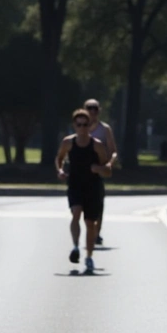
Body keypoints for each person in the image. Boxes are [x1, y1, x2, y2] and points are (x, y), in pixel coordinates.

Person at [55, 108, 113, 274]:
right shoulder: (68, 142)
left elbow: (108, 170)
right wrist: (59, 170)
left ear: (90, 126)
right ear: (74, 125)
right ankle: (75, 247)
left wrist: (99, 169)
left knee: (90, 223)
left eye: (85, 125)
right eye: (79, 124)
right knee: (76, 213)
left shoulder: (97, 146)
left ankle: (89, 256)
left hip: (92, 187)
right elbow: (59, 158)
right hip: (75, 184)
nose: (82, 128)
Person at [83, 98, 118, 246]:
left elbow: (113, 151)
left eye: (95, 108)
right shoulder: (79, 126)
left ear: (99, 111)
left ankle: (97, 233)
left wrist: (109, 164)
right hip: (82, 169)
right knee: (81, 204)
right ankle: (89, 231)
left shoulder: (105, 129)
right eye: (89, 108)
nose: (92, 111)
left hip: (98, 169)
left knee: (98, 203)